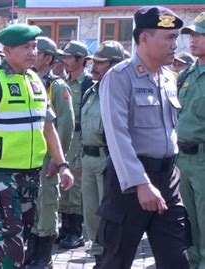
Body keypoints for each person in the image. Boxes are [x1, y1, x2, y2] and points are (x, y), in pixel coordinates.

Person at [0, 24, 74, 269]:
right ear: (8, 50)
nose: (33, 52)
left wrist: (62, 164)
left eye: (34, 47)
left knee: (19, 230)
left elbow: (48, 127)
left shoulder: (35, 81)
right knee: (9, 231)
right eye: (26, 47)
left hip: (30, 172)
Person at [98, 6, 190, 268]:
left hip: (167, 180)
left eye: (176, 37)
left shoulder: (169, 78)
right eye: (169, 38)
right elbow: (117, 136)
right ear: (144, 39)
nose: (176, 44)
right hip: (130, 183)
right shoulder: (119, 77)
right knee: (116, 259)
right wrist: (140, 184)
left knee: (176, 259)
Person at [25, 36, 74, 268]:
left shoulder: (57, 86)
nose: (32, 55)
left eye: (37, 52)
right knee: (33, 203)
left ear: (48, 58)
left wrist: (58, 159)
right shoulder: (29, 81)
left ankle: (44, 256)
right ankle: (32, 250)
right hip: (29, 156)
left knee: (46, 203)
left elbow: (65, 125)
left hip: (48, 157)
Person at [80, 40, 124, 269]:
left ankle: (111, 260)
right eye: (93, 61)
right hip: (89, 160)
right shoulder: (90, 91)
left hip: (110, 161)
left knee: (110, 216)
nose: (93, 66)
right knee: (91, 215)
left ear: (115, 65)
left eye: (100, 62)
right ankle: (98, 258)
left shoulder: (121, 92)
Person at [177, 12, 205, 269]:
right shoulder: (186, 75)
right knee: (190, 222)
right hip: (183, 160)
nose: (193, 40)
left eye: (199, 34)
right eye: (192, 35)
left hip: (203, 160)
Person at [58, 40, 91, 249]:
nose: (65, 61)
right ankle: (64, 228)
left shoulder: (88, 84)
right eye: (65, 57)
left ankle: (76, 231)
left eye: (70, 57)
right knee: (64, 185)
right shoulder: (62, 82)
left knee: (77, 186)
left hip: (80, 138)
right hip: (64, 137)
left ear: (81, 60)